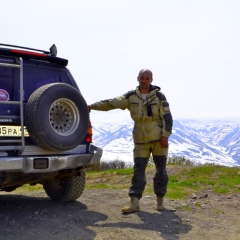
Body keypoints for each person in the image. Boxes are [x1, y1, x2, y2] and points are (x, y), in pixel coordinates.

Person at [88, 69, 173, 213]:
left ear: (151, 80)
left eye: (147, 78)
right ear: (138, 78)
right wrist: (92, 106)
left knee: (161, 170)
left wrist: (165, 136)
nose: (144, 80)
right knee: (138, 170)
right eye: (142, 78)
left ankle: (160, 203)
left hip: (159, 139)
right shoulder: (131, 96)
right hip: (140, 140)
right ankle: (134, 204)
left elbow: (168, 117)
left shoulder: (159, 96)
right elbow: (112, 103)